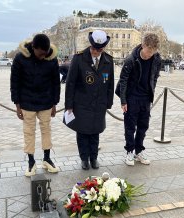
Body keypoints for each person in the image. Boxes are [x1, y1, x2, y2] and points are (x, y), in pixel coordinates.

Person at [10, 34, 61, 177]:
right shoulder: (20, 58)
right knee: (29, 131)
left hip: (46, 101)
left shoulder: (51, 58)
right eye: (40, 54)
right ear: (33, 47)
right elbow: (14, 82)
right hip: (26, 102)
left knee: (46, 130)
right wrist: (17, 104)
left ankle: (47, 158)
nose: (42, 57)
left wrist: (54, 103)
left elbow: (56, 82)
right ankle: (31, 161)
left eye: (45, 54)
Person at [64, 30, 114, 170]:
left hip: (99, 104)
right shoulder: (79, 58)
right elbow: (70, 83)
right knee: (82, 132)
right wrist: (69, 105)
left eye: (100, 49)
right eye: (94, 48)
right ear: (90, 45)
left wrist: (108, 103)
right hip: (82, 103)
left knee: (95, 132)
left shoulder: (108, 61)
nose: (96, 52)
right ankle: (84, 159)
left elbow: (110, 84)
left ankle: (94, 158)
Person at [117, 33, 161, 166]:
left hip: (146, 98)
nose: (149, 55)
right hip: (132, 98)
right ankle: (129, 151)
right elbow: (123, 81)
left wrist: (151, 91)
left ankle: (138, 151)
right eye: (148, 51)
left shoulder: (157, 59)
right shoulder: (131, 59)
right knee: (130, 127)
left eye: (153, 52)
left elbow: (155, 76)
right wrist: (123, 101)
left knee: (143, 126)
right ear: (143, 46)